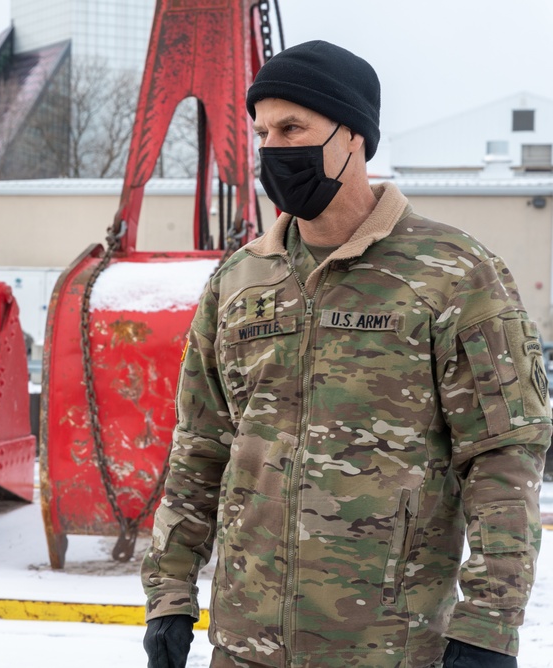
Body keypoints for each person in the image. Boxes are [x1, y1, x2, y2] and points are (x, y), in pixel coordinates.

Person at [141, 40, 550, 668]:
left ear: (354, 136)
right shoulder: (240, 282)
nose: (273, 148)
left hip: (391, 648)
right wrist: (169, 595)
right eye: (263, 132)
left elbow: (502, 457)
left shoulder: (452, 274)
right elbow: (200, 449)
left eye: (292, 128)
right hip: (244, 645)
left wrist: (489, 623)